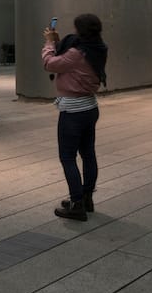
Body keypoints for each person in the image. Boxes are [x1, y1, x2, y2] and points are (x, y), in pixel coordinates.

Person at [42, 13, 108, 221]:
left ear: (81, 30)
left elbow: (50, 64)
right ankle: (87, 197)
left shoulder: (77, 53)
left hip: (73, 111)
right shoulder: (98, 48)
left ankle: (76, 203)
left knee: (67, 157)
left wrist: (50, 43)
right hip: (90, 107)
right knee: (88, 153)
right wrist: (59, 41)